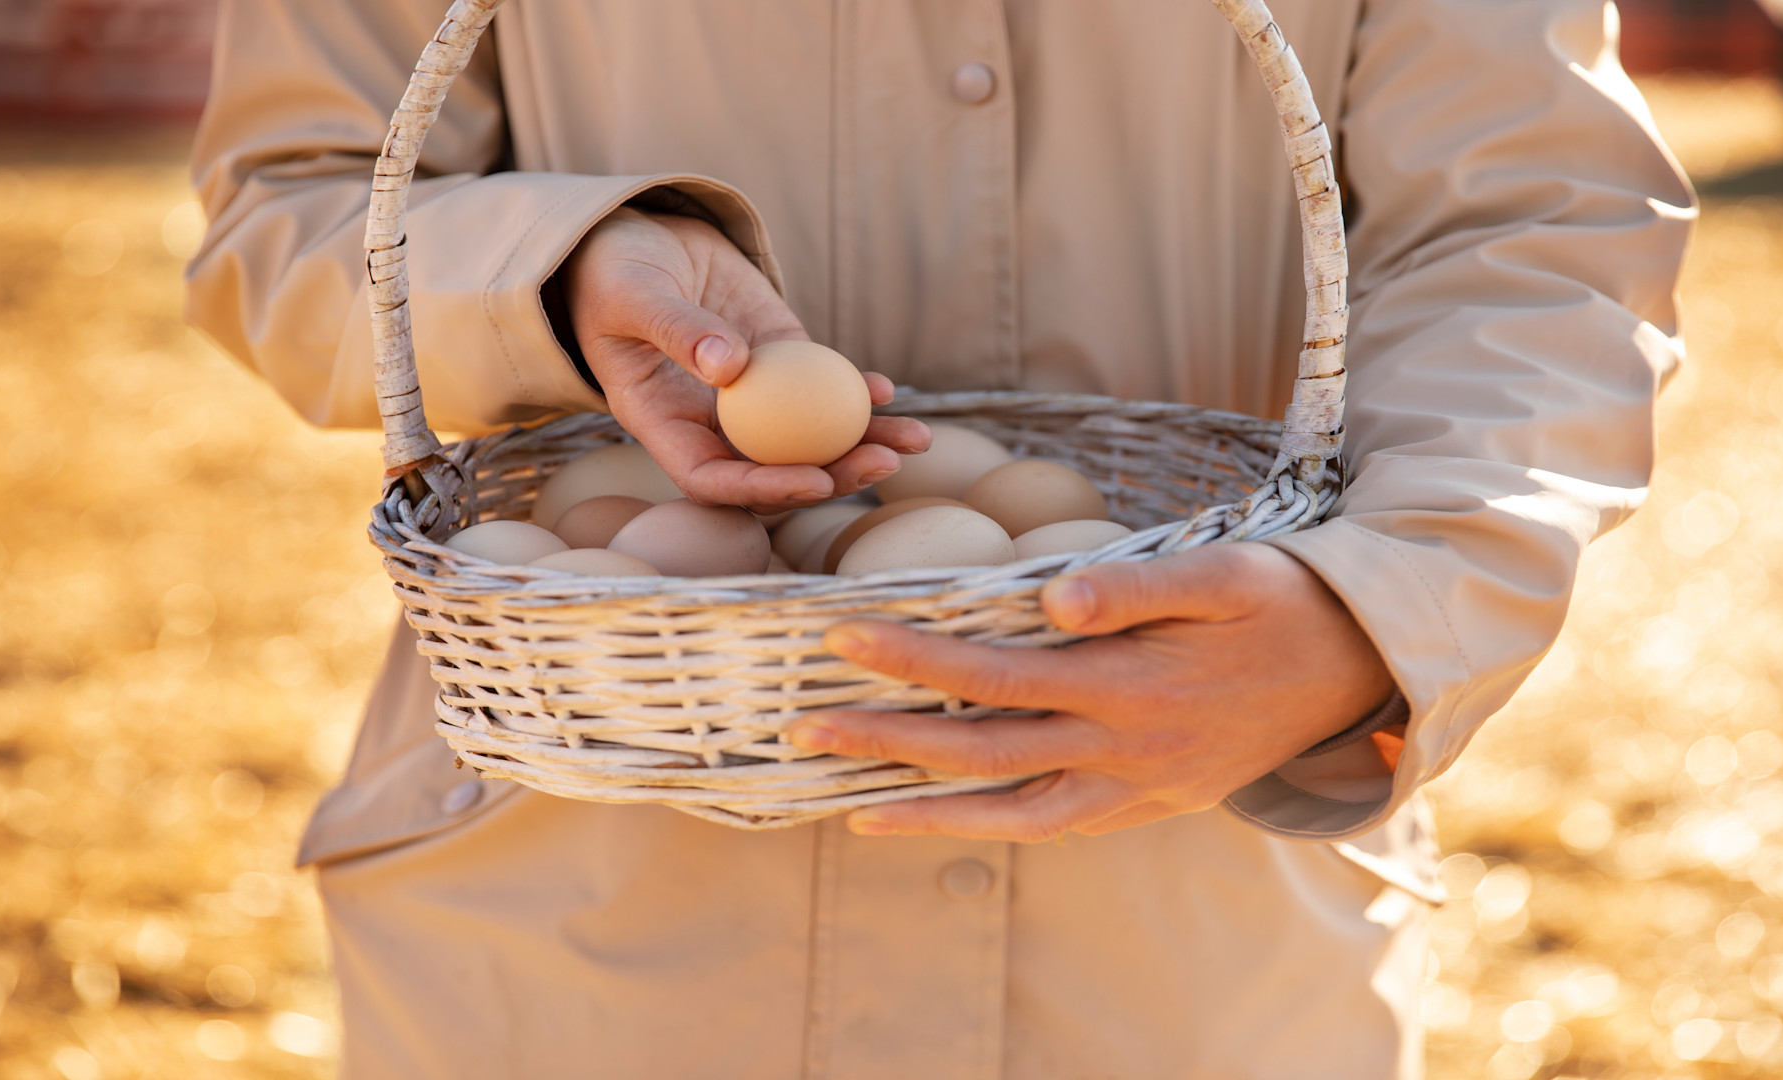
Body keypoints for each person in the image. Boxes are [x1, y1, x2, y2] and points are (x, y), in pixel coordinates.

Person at [184, 0, 1693, 1075]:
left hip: (1178, 925)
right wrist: (558, 267)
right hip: (592, 918)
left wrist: (1373, 612)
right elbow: (290, 208)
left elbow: (1534, 231)